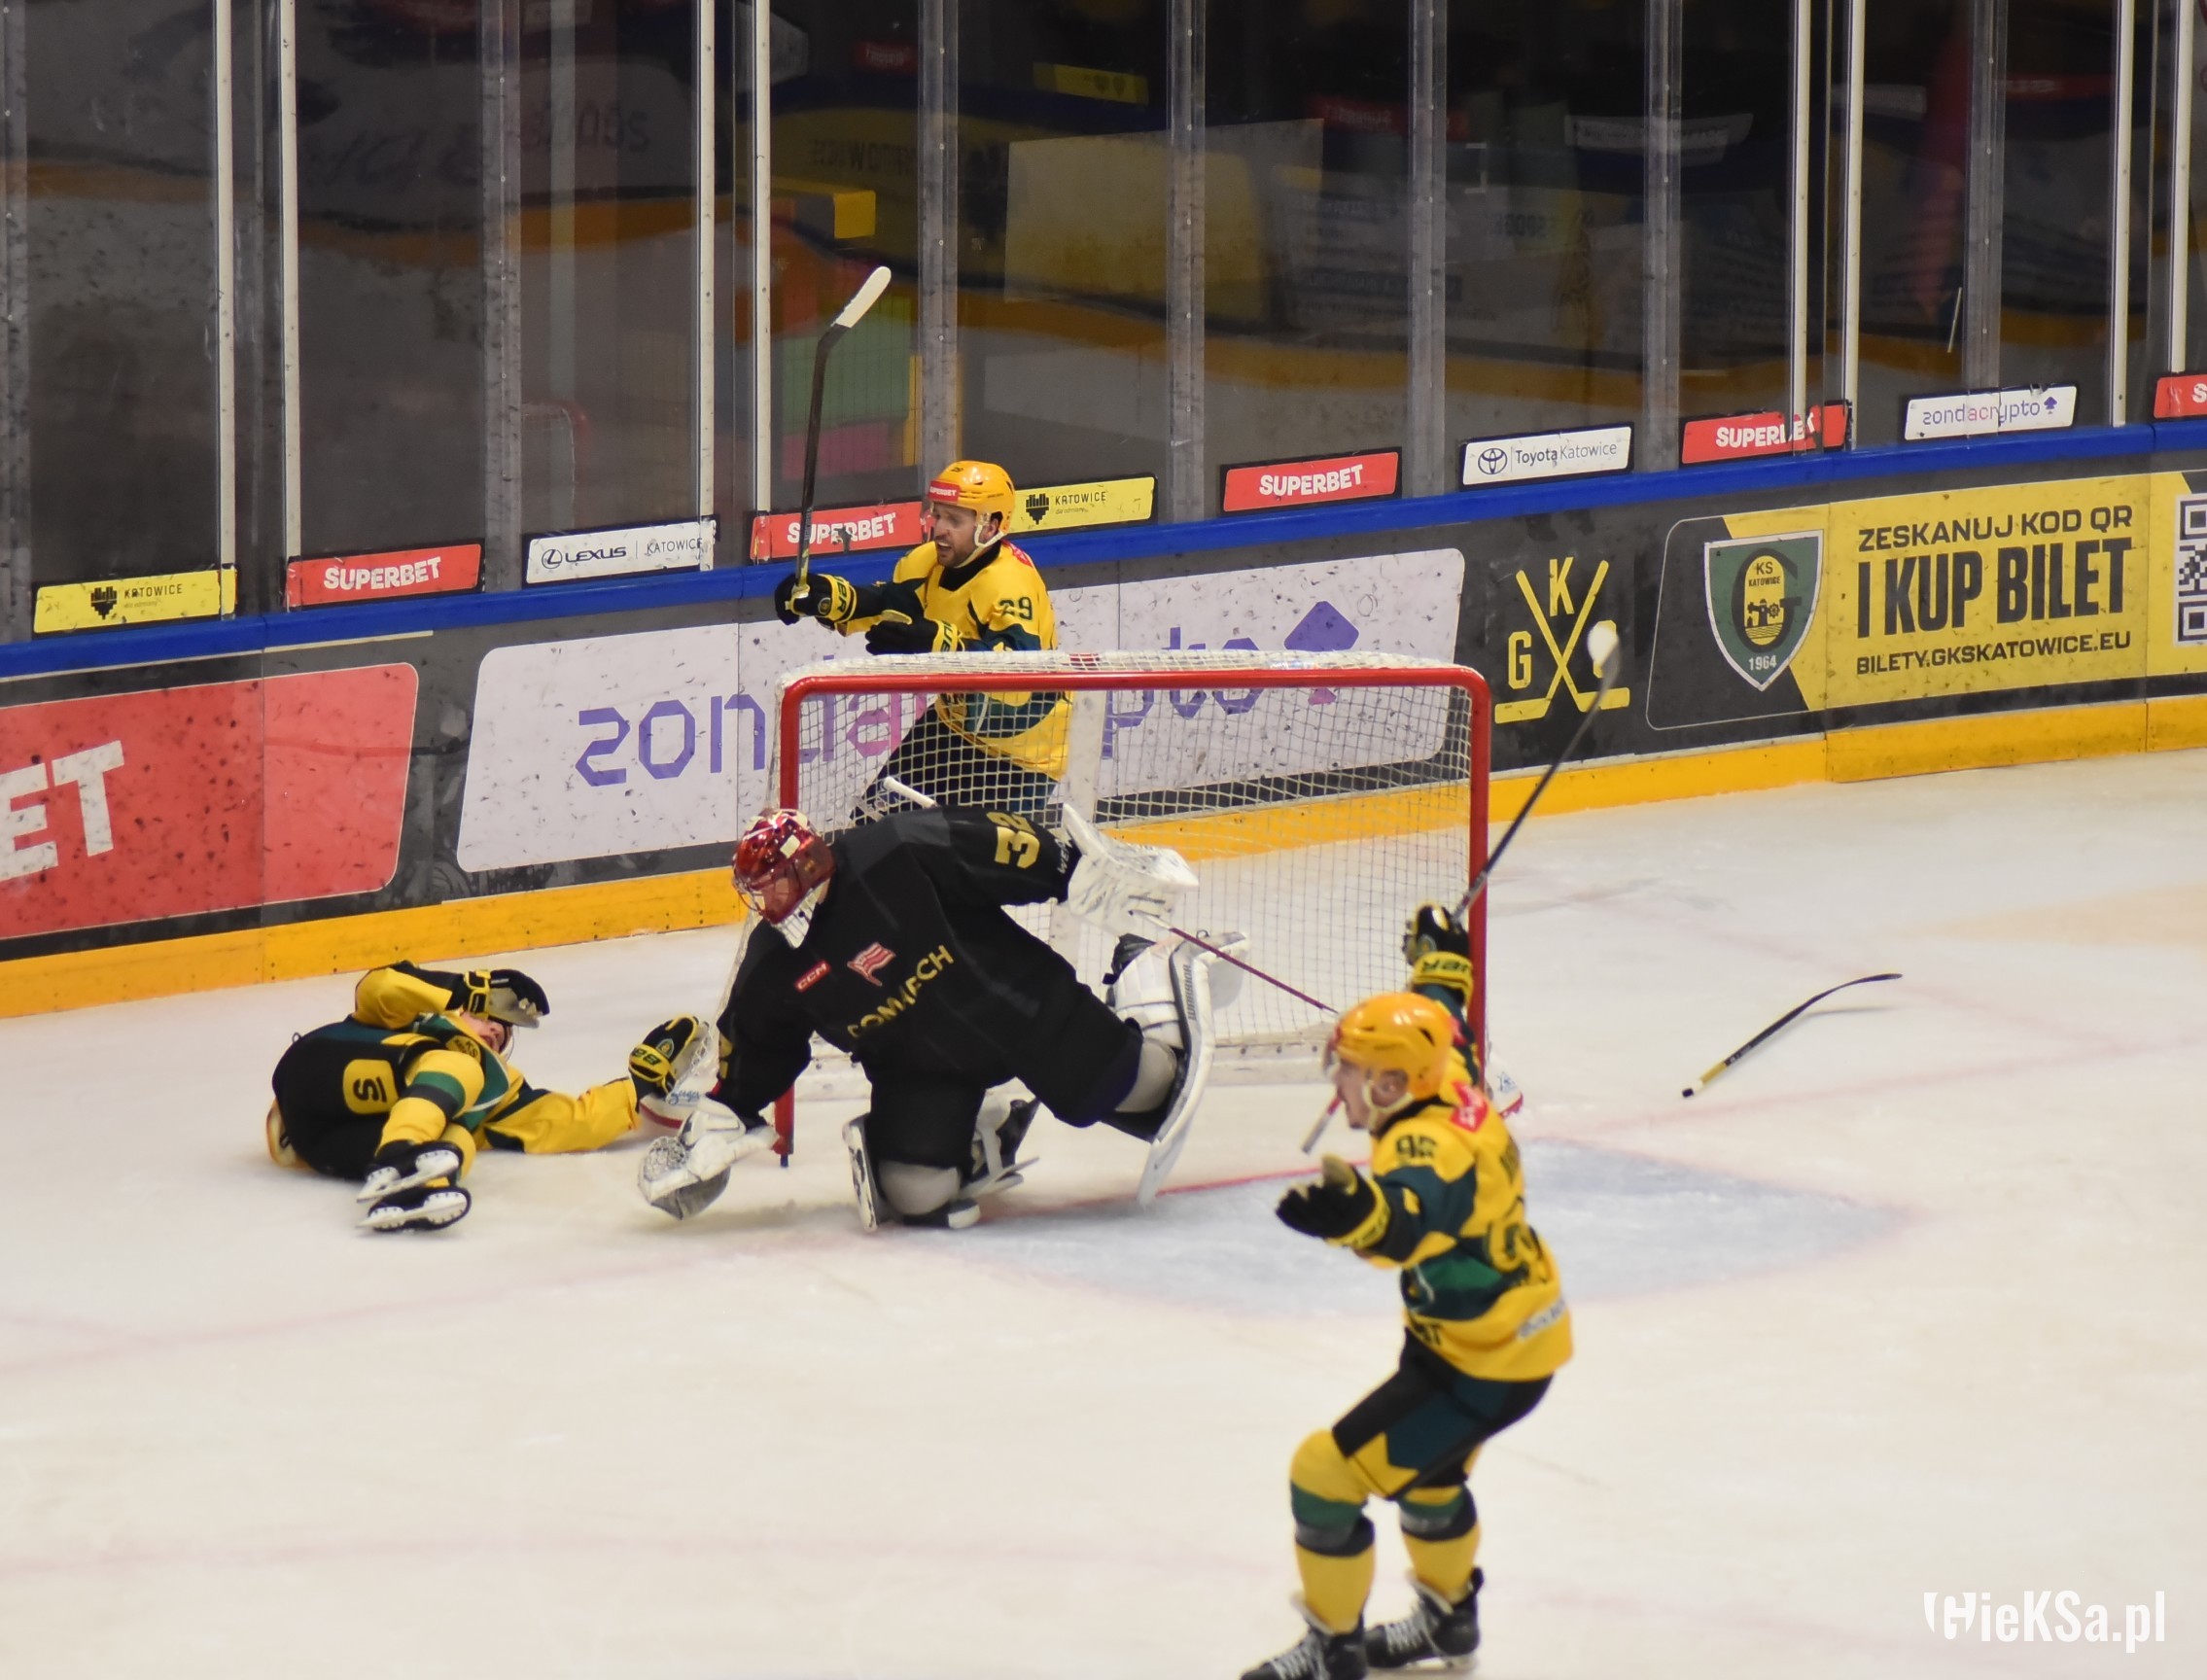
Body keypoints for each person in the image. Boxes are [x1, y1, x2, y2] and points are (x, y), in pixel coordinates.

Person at [636, 803, 1224, 1230]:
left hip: (1021, 1007)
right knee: (917, 1195)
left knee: (1149, 1091)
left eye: (772, 886)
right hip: (922, 1070)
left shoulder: (896, 852)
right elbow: (758, 1043)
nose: (766, 904)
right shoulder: (776, 962)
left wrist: (1072, 871)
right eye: (757, 891)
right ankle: (983, 1134)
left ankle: (1149, 975)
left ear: (807, 863)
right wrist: (725, 1115)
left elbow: (1001, 845)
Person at [1242, 991, 1571, 1680]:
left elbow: (1409, 1216)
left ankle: (1333, 1651)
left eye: (1349, 1067)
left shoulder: (1428, 1144)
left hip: (1482, 1364)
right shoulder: (1445, 1076)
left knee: (1323, 1476)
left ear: (1390, 1084)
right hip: (1504, 1336)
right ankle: (1449, 1622)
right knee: (1430, 1478)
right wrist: (1441, 965)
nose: (1336, 1078)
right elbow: (1449, 1023)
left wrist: (1356, 1217)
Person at [266, 960, 707, 1232]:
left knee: (459, 1138)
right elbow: (379, 986)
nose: (498, 1030)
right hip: (316, 1077)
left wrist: (641, 1084)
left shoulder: (498, 1089)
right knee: (459, 1067)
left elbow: (570, 1121)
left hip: (327, 1146)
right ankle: (400, 1155)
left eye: (505, 1033)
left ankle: (412, 1191)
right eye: (492, 1018)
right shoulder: (418, 1017)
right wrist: (469, 987)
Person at [770, 459, 1068, 821]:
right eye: (937, 515)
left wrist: (939, 643)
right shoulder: (928, 562)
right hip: (952, 727)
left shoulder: (1011, 584)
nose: (939, 529)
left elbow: (1019, 677)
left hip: (1021, 755)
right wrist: (828, 598)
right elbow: (889, 604)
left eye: (954, 520)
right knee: (873, 828)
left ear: (990, 526)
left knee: (977, 854)